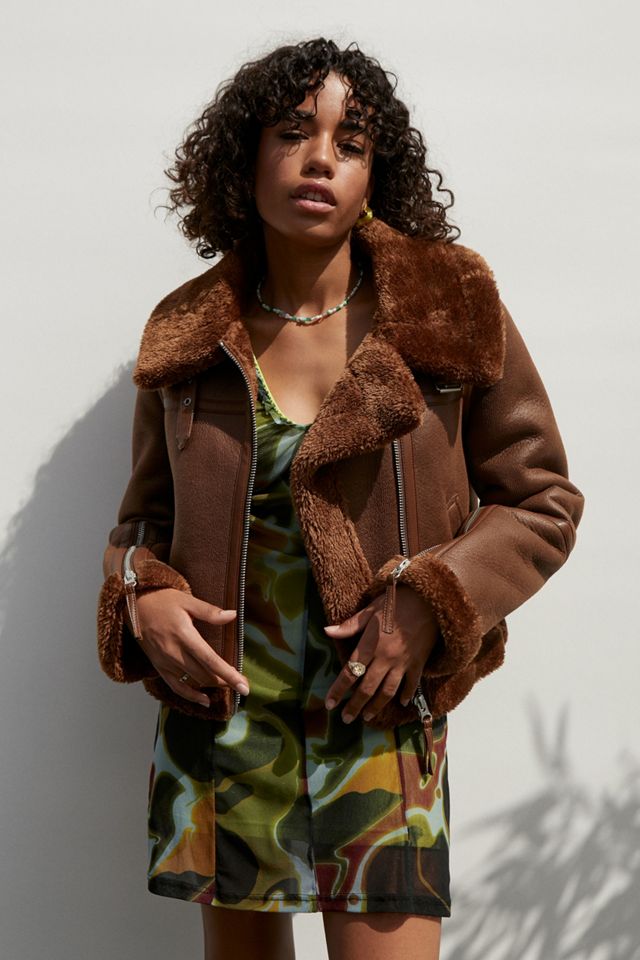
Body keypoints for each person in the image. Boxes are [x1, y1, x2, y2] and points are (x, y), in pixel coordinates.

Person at [96, 37, 585, 960]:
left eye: (349, 143)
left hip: (381, 724)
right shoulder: (188, 333)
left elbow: (542, 500)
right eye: (293, 132)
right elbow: (141, 524)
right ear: (244, 158)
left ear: (374, 176)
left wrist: (434, 601)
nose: (320, 159)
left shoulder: (449, 307)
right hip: (223, 728)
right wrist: (141, 592)